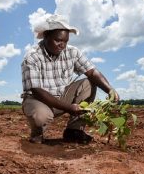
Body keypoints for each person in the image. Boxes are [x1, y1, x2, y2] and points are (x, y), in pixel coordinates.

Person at [21, 14, 119, 144]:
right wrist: (69, 107)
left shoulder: (72, 52)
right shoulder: (32, 57)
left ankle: (74, 131)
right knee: (41, 116)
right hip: (38, 100)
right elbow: (37, 91)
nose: (62, 45)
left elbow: (92, 72)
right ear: (46, 36)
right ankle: (37, 134)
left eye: (65, 41)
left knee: (89, 83)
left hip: (62, 97)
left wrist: (110, 90)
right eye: (58, 40)